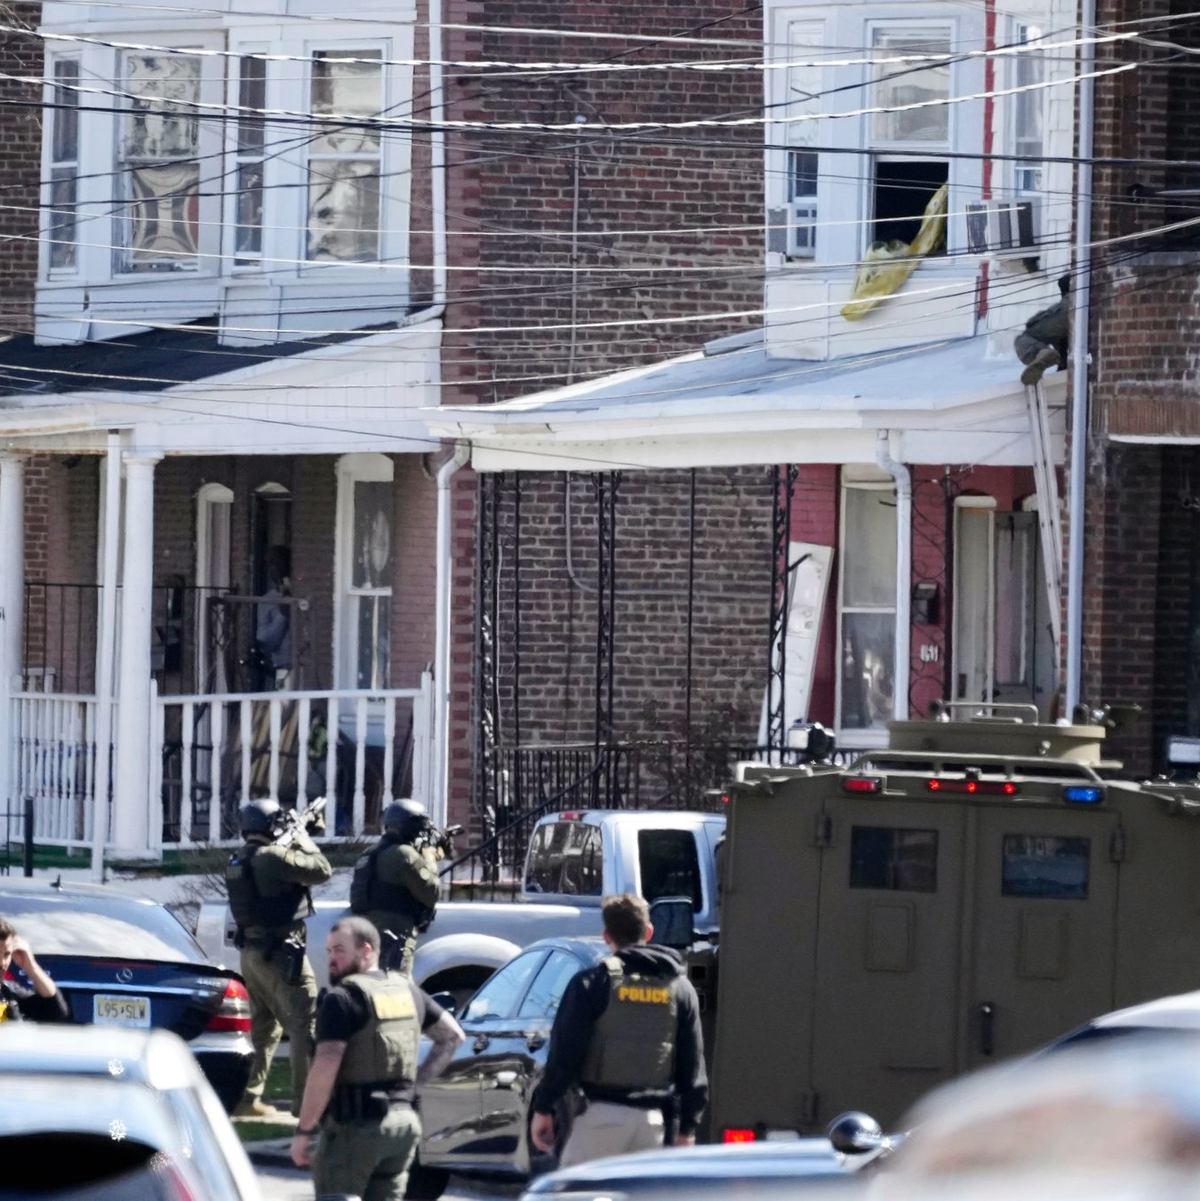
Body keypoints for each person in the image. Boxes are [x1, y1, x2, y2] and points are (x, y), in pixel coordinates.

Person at [289, 916, 465, 1200]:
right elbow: (452, 1036)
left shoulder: (343, 999)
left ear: (367, 951)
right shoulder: (408, 991)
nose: (332, 959)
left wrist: (304, 1130)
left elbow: (325, 1067)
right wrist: (415, 1087)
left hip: (356, 1129)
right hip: (402, 1127)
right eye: (329, 951)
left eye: (340, 950)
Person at [529, 893, 708, 1168]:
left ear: (606, 936)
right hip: (654, 1123)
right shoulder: (680, 989)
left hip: (598, 1118)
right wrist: (687, 1128)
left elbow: (565, 1054)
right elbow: (692, 1067)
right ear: (649, 932)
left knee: (579, 1190)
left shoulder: (593, 983)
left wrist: (543, 1107)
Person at [226, 797, 333, 1118]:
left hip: (252, 952)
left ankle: (247, 1098)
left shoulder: (239, 858)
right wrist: (303, 837)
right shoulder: (271, 857)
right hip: (281, 953)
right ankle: (308, 1105)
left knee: (263, 1027)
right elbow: (322, 869)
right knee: (304, 1023)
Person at [349, 798, 441, 975]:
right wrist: (430, 857)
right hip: (394, 942)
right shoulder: (404, 854)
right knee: (395, 990)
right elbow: (432, 892)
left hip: (365, 941)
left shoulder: (368, 854)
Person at [0, 916, 69, 1023]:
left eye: (6, 955)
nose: (2, 963)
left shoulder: (7, 992)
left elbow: (54, 1011)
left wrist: (31, 966)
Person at [1015, 274, 1070, 386]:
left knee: (1025, 337)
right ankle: (1062, 363)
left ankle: (1040, 352)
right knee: (1059, 338)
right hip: (1076, 311)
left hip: (1068, 307)